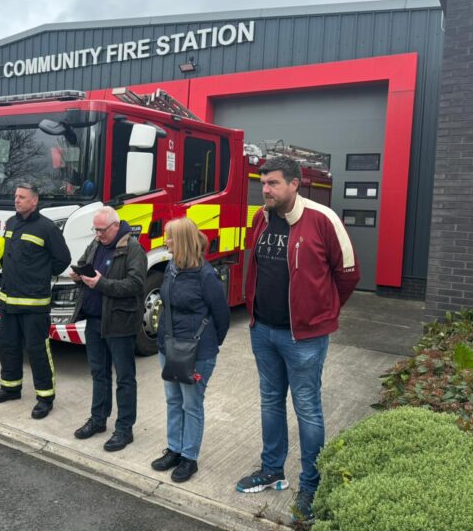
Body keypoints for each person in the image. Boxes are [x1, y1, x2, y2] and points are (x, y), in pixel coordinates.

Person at [236, 156, 360, 523]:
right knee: (270, 402)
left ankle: (311, 483)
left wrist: (322, 310)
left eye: (273, 183)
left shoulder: (323, 219)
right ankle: (272, 469)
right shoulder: (261, 218)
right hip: (264, 330)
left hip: (304, 336)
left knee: (307, 409)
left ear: (294, 183)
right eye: (263, 182)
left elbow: (348, 274)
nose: (266, 189)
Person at [150, 217, 230, 483]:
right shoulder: (173, 267)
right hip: (169, 347)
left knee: (191, 404)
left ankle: (189, 457)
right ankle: (174, 449)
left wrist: (208, 346)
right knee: (173, 401)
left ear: (181, 240)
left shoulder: (206, 275)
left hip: (196, 353)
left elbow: (222, 317)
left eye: (169, 237)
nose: (165, 241)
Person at [0, 183, 71, 419]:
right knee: (8, 347)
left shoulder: (47, 228)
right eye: (16, 196)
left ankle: (45, 397)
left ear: (34, 200)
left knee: (37, 350)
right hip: (8, 301)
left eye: (22, 197)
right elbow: (9, 256)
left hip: (34, 303)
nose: (17, 200)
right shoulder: (12, 224)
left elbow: (62, 259)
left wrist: (39, 274)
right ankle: (10, 388)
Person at [69, 206, 147, 451]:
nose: (98, 234)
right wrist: (78, 274)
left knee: (124, 378)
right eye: (96, 229)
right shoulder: (97, 243)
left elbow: (135, 285)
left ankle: (124, 429)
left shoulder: (133, 249)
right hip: (94, 321)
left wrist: (101, 283)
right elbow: (84, 263)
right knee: (99, 373)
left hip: (119, 323)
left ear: (116, 226)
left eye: (102, 230)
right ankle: (98, 419)